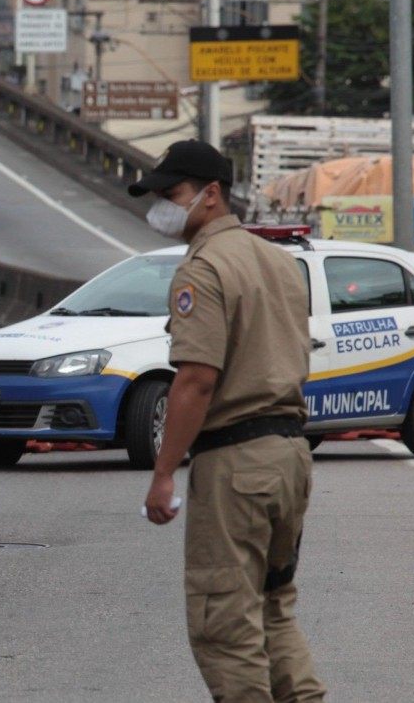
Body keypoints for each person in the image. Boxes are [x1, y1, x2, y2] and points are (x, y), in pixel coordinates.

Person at [130, 140, 326, 702]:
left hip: (236, 461)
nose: (162, 208)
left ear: (211, 194)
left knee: (224, 623)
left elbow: (196, 379)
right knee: (274, 608)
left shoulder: (204, 268)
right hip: (289, 455)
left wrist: (163, 473)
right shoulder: (278, 261)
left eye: (172, 194)